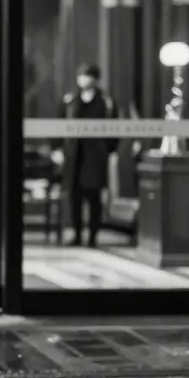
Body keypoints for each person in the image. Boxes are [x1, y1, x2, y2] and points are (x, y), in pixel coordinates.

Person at [51, 63, 119, 247]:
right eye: (82, 75)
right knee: (74, 196)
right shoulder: (70, 99)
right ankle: (77, 234)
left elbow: (114, 129)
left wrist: (110, 151)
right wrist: (57, 149)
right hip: (74, 155)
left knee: (94, 196)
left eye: (88, 75)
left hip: (95, 156)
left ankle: (93, 236)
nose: (84, 79)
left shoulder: (106, 101)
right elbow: (58, 125)